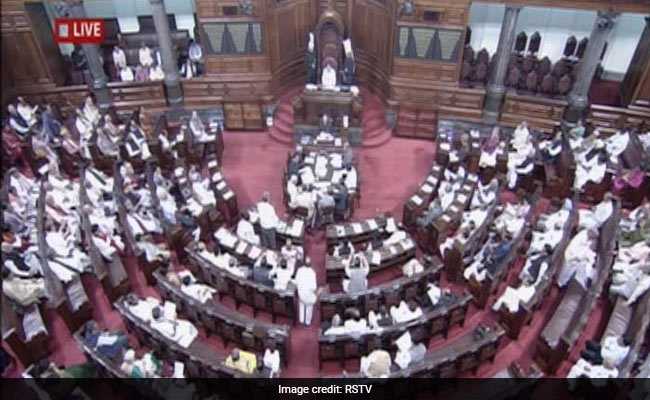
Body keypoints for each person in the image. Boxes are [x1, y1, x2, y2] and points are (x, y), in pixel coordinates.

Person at [294, 259, 318, 325]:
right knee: (309, 307)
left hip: (301, 292)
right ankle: (307, 321)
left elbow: (296, 282)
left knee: (302, 305)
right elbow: (314, 287)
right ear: (310, 264)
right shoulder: (312, 272)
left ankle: (302, 320)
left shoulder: (299, 270)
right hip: (308, 293)